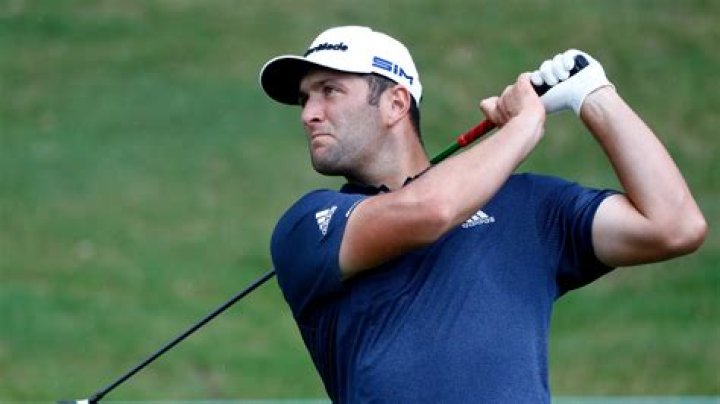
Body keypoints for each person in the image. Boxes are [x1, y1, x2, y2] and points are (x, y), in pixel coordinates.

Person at [259, 26, 707, 403]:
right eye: (304, 99)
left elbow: (675, 226)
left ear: (395, 104)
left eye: (330, 91)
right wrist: (526, 123)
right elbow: (430, 210)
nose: (309, 114)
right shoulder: (309, 225)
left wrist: (593, 93)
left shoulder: (529, 206)